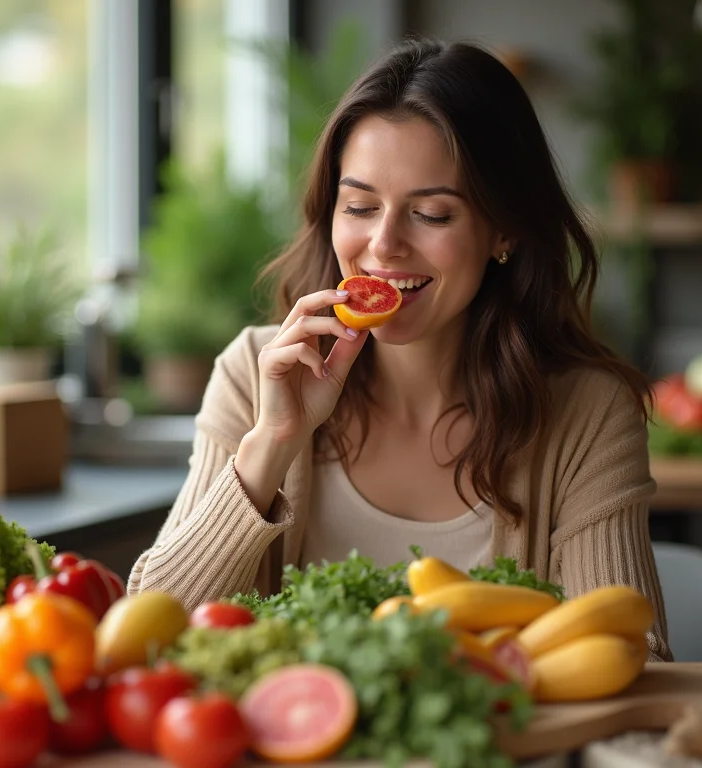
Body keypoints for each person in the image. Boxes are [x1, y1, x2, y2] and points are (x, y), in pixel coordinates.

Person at [127, 37, 672, 662]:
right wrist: (272, 444)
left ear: (504, 230)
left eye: (432, 214)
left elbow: (635, 655)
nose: (384, 245)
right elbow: (145, 639)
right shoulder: (255, 375)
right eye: (360, 206)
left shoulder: (589, 411)